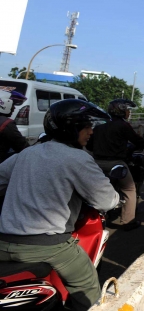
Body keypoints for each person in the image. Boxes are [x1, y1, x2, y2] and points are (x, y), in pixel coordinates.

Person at [0, 99, 119, 311]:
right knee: (87, 284)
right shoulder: (77, 158)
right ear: (71, 128)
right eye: (86, 126)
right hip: (48, 247)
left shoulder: (26, 153)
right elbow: (106, 200)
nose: (91, 131)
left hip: (4, 242)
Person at [87, 99, 144, 231]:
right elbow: (136, 140)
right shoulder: (123, 125)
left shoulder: (99, 126)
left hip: (97, 163)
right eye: (127, 110)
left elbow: (89, 145)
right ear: (120, 110)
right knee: (129, 189)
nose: (129, 112)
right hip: (115, 164)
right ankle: (128, 221)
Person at [0, 90, 29, 164]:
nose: (14, 108)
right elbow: (22, 146)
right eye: (13, 105)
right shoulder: (7, 123)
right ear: (5, 104)